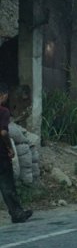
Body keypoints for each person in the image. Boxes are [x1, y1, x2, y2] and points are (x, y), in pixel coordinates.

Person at [0, 82, 32, 223]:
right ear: (3, 95)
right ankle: (17, 213)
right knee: (7, 184)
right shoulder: (3, 111)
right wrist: (10, 148)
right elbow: (3, 132)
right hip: (1, 155)